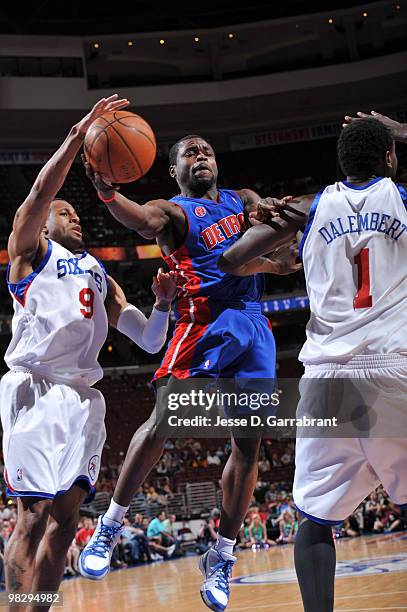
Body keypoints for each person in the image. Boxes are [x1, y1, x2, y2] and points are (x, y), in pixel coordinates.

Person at [80, 133, 300, 610]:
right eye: (190, 153)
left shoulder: (243, 200)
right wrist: (107, 194)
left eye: (207, 151)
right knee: (165, 419)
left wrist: (281, 247)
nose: (201, 157)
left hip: (254, 323)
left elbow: (273, 226)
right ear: (174, 171)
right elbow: (138, 219)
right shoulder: (173, 211)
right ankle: (110, 526)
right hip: (203, 321)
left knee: (248, 445)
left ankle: (222, 555)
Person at [219, 113, 407, 612]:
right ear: (390, 158)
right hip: (393, 368)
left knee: (316, 520)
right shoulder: (404, 201)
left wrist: (275, 245)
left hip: (326, 379)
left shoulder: (309, 206)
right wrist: (402, 130)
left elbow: (232, 261)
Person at [0, 95, 177, 609]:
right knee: (31, 515)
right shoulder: (31, 253)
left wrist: (162, 305)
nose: (74, 217)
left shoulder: (100, 274)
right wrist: (78, 136)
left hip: (84, 400)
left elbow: (149, 340)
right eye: (65, 212)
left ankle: (41, 606)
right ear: (45, 223)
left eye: (77, 213)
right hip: (35, 389)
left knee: (64, 519)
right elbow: (40, 190)